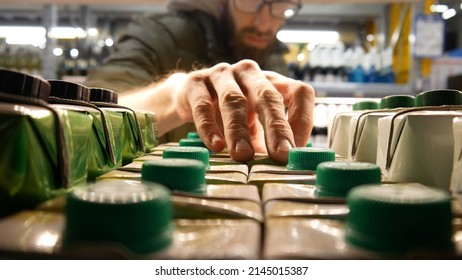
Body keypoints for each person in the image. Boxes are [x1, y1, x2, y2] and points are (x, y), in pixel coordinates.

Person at [85, 0, 315, 163]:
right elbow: (90, 117)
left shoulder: (272, 54)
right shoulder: (158, 33)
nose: (264, 24)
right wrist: (176, 98)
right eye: (251, 1)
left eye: (282, 5)